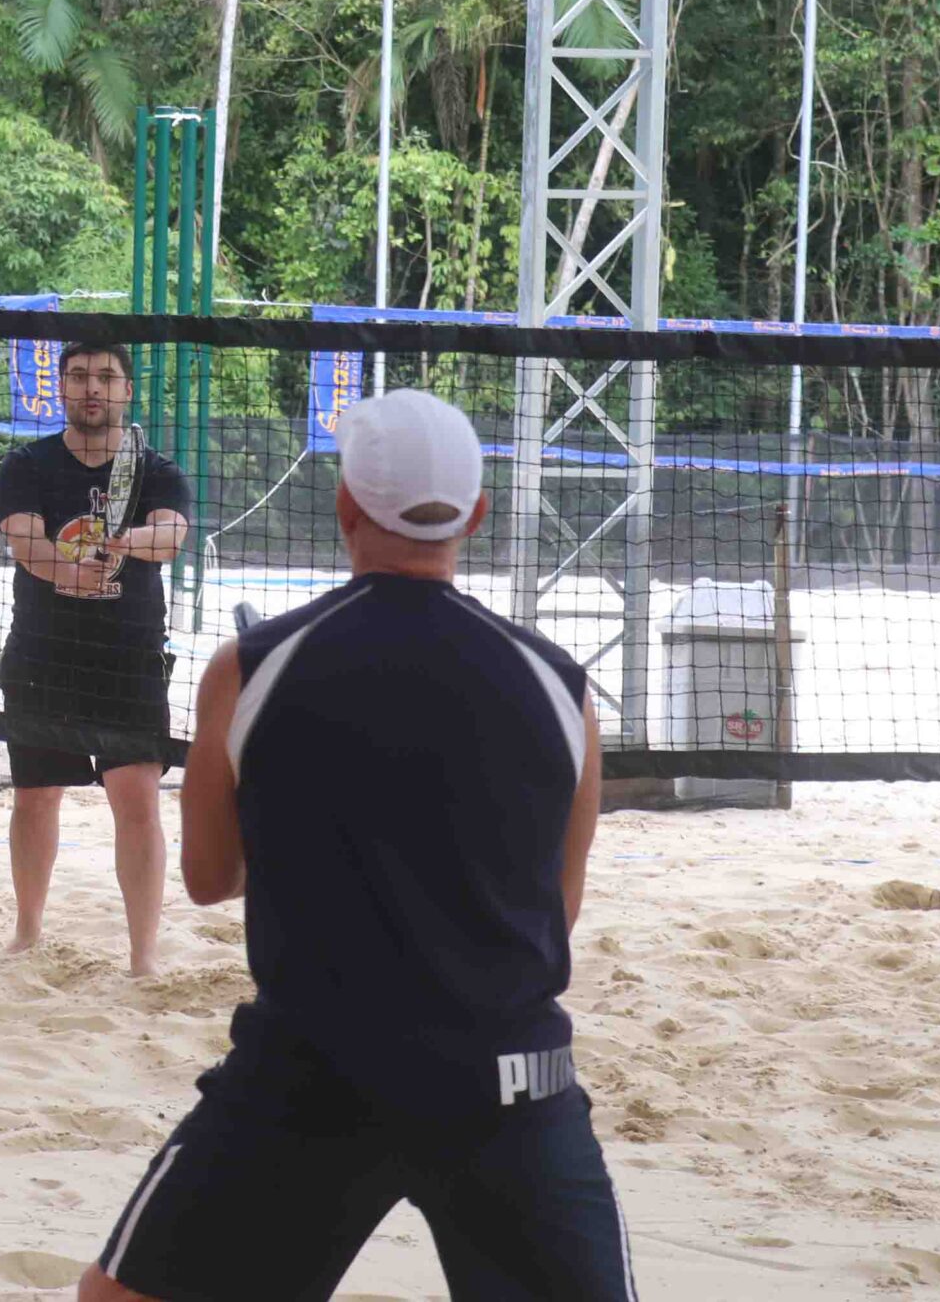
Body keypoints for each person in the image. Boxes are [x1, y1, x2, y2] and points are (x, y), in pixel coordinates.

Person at [77, 388, 627, 1302]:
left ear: (343, 508)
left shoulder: (253, 666)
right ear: (477, 516)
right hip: (507, 1078)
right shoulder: (560, 685)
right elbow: (554, 911)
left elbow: (210, 878)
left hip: (315, 1065)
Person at [0, 340, 194, 977]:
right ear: (61, 386)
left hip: (128, 654)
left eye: (106, 378)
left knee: (136, 799)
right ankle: (28, 932)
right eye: (79, 376)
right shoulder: (28, 464)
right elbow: (25, 541)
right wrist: (67, 573)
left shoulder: (158, 471)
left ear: (126, 392)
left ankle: (143, 958)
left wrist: (124, 541)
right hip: (43, 653)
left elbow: (170, 535)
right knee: (35, 796)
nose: (92, 388)